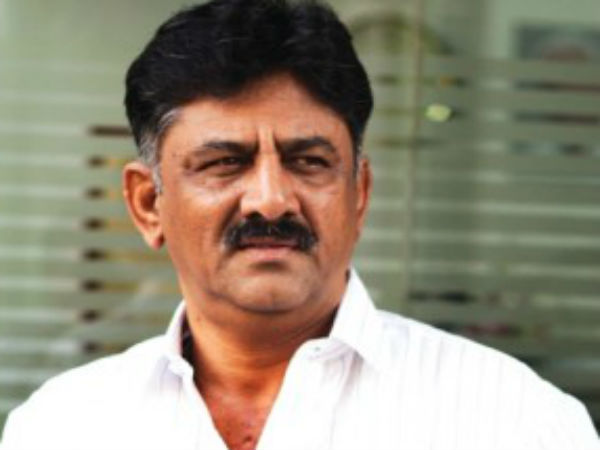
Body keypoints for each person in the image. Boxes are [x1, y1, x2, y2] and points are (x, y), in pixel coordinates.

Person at [1, 0, 598, 449]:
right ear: (148, 205)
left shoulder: (512, 421)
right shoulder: (66, 427)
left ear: (359, 195)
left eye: (308, 161)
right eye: (224, 163)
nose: (270, 201)